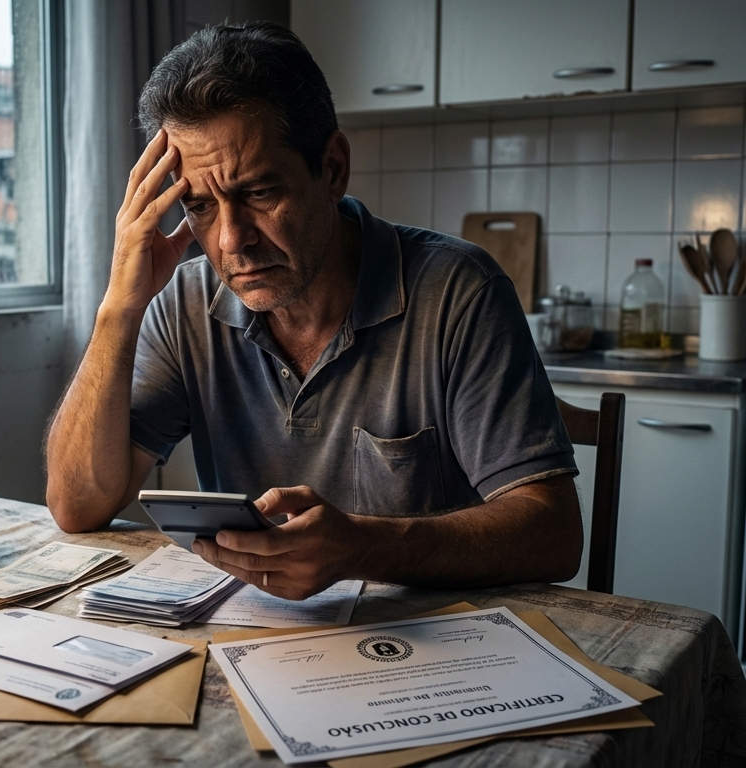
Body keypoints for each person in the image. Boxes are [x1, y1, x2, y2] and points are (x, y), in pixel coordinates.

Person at [45, 21, 582, 600]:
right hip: (256, 638)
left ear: (332, 169)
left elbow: (553, 534)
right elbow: (77, 507)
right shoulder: (185, 302)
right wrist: (118, 308)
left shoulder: (458, 291)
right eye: (199, 207)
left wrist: (361, 547)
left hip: (439, 638)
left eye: (258, 193)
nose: (230, 240)